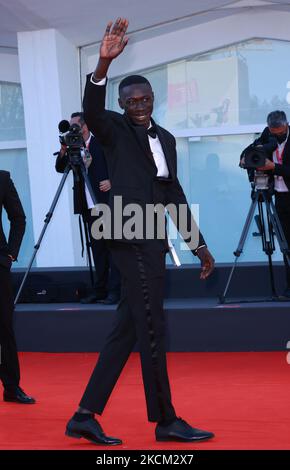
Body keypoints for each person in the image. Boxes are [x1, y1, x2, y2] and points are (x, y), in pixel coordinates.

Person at [65, 18, 215, 445]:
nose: (140, 105)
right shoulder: (112, 130)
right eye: (131, 100)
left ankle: (84, 414)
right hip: (127, 233)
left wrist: (198, 244)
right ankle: (165, 420)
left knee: (131, 326)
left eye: (145, 99)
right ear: (121, 102)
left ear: (154, 99)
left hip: (152, 234)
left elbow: (174, 194)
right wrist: (102, 63)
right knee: (154, 325)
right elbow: (92, 111)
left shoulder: (165, 138)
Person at [55, 112, 120, 304]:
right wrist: (63, 149)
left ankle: (115, 291)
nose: (72, 129)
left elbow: (120, 165)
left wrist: (112, 181)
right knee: (97, 250)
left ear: (85, 126)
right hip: (87, 206)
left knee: (113, 249)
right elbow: (60, 168)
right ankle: (99, 290)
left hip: (106, 204)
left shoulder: (102, 143)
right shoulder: (73, 147)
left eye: (75, 125)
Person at [242, 110, 290, 297]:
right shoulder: (267, 134)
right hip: (278, 198)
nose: (277, 135)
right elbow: (251, 150)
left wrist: (274, 167)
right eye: (273, 131)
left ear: (286, 125)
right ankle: (288, 288)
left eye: (280, 131)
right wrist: (245, 157)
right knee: (286, 244)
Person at [0, 170, 35, 404]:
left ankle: (11, 386)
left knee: (3, 327)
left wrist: (11, 253)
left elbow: (18, 218)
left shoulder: (2, 179)